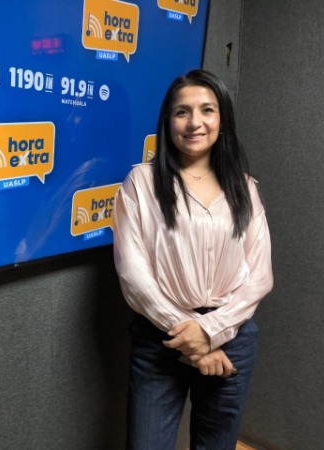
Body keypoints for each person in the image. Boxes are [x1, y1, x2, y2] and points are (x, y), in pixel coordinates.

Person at [112, 69, 274, 450]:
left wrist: (210, 332)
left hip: (232, 335)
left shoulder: (244, 188)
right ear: (168, 121)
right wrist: (191, 337)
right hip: (161, 337)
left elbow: (260, 276)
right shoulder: (141, 184)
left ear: (222, 119)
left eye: (207, 110)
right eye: (182, 112)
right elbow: (134, 275)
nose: (194, 122)